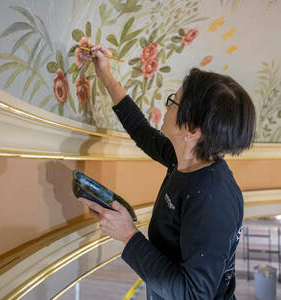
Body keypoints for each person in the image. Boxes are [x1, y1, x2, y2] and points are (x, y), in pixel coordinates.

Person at [78, 44, 256, 300]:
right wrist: (105, 75)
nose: (168, 106)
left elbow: (193, 293)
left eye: (173, 101)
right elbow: (142, 132)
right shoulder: (188, 159)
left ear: (193, 131)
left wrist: (128, 235)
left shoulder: (212, 198)